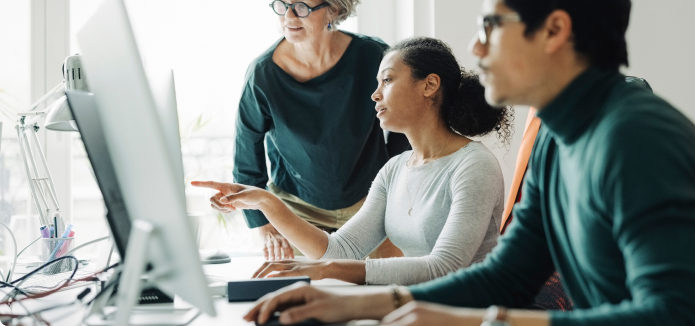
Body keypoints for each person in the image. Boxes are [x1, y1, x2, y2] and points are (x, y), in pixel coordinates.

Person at [241, 0, 695, 326]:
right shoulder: (557, 137)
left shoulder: (638, 141)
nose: (476, 48)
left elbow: (679, 315)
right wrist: (364, 299)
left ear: (554, 30)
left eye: (490, 25)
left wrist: (477, 320)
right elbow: (508, 274)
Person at [194, 37, 513, 285]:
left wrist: (332, 270)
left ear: (429, 85)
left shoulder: (474, 165)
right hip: (413, 308)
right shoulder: (394, 169)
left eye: (387, 80)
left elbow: (444, 267)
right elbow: (339, 250)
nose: (375, 94)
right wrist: (265, 202)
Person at [227, 0, 409, 260]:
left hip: (370, 207)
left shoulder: (374, 56)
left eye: (301, 7)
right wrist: (264, 226)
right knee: (306, 299)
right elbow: (247, 158)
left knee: (382, 295)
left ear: (334, 9)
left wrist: (390, 195)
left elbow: (404, 129)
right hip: (296, 212)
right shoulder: (263, 74)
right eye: (281, 5)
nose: (288, 17)